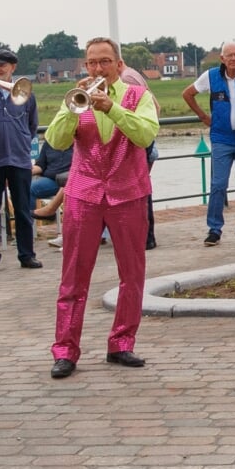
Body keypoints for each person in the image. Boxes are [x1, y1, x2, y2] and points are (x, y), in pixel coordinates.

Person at [43, 38, 159, 379]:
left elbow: (146, 136)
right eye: (92, 63)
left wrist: (112, 108)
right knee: (73, 276)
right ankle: (65, 350)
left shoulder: (139, 97)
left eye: (104, 62)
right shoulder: (76, 99)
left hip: (129, 193)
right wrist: (71, 108)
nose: (97, 69)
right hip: (84, 194)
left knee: (133, 273)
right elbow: (56, 141)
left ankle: (122, 343)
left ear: (119, 65)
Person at [182, 41, 235, 246]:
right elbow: (187, 93)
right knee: (218, 185)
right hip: (221, 139)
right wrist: (202, 116)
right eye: (229, 55)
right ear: (222, 59)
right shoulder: (210, 76)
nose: (233, 58)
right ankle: (214, 229)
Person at [0, 48, 41, 273]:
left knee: (22, 209)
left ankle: (27, 255)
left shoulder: (26, 94)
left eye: (1, 65)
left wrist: (20, 141)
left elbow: (32, 126)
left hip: (19, 158)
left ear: (12, 68)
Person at [30, 136, 71, 221]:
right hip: (51, 181)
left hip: (71, 181)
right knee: (28, 188)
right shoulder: (49, 143)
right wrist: (24, 171)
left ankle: (50, 211)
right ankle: (27, 224)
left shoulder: (79, 143)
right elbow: (40, 166)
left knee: (70, 183)